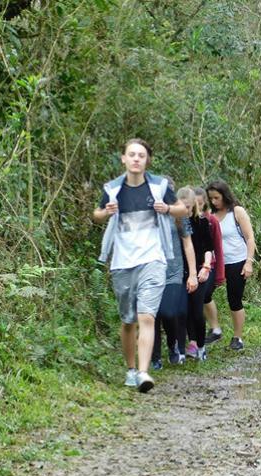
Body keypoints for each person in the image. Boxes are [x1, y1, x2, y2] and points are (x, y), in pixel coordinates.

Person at [92, 138, 188, 392]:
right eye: (131, 154)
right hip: (123, 263)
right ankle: (131, 369)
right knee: (128, 320)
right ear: (123, 158)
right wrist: (106, 212)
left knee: (147, 316)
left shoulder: (159, 186)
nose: (136, 159)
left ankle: (144, 373)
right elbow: (96, 215)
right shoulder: (113, 189)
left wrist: (167, 208)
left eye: (141, 155)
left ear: (147, 161)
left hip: (153, 260)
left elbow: (182, 209)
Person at [151, 178, 197, 369]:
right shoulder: (147, 214)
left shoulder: (180, 215)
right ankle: (155, 357)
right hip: (151, 271)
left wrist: (193, 273)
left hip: (174, 271)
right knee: (152, 315)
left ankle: (172, 345)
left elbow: (187, 243)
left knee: (168, 312)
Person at [206, 180, 256, 351]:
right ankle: (215, 329)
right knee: (204, 294)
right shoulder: (209, 215)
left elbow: (250, 238)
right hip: (216, 263)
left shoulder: (237, 211)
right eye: (211, 198)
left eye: (217, 198)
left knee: (234, 300)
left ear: (224, 195)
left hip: (237, 261)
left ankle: (238, 337)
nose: (214, 201)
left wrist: (249, 262)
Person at [178, 187, 215, 361]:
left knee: (197, 310)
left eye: (188, 207)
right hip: (181, 271)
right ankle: (191, 343)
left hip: (201, 269)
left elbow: (209, 248)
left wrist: (206, 267)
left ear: (194, 206)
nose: (186, 210)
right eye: (182, 206)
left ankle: (200, 345)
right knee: (184, 310)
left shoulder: (201, 222)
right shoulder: (174, 224)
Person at [195, 187, 225, 346]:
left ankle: (214, 329)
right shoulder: (187, 219)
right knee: (201, 298)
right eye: (195, 204)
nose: (198, 207)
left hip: (210, 266)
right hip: (194, 266)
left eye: (200, 203)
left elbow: (218, 248)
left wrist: (220, 274)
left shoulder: (211, 220)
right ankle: (210, 330)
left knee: (204, 295)